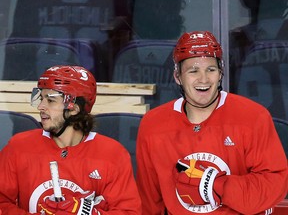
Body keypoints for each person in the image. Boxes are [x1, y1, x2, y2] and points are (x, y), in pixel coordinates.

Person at [136, 31, 288, 214]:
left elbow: (273, 186)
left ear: (220, 73)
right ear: (178, 77)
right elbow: (149, 202)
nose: (204, 79)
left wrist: (216, 184)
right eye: (193, 71)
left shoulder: (253, 117)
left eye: (211, 69)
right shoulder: (153, 125)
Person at [0, 65, 142, 214]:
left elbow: (128, 211)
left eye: (50, 100)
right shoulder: (19, 147)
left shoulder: (113, 155)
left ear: (74, 109)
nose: (41, 106)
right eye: (41, 98)